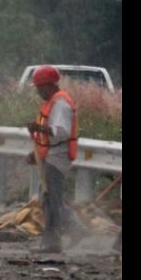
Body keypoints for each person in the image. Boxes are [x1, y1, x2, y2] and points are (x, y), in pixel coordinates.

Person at [26, 65, 90, 253]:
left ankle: (54, 242)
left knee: (51, 200)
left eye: (39, 88)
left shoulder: (60, 104)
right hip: (51, 155)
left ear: (47, 85)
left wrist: (39, 128)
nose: (38, 92)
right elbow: (48, 136)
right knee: (48, 199)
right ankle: (76, 229)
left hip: (57, 157)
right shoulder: (53, 102)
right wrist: (36, 153)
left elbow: (60, 132)